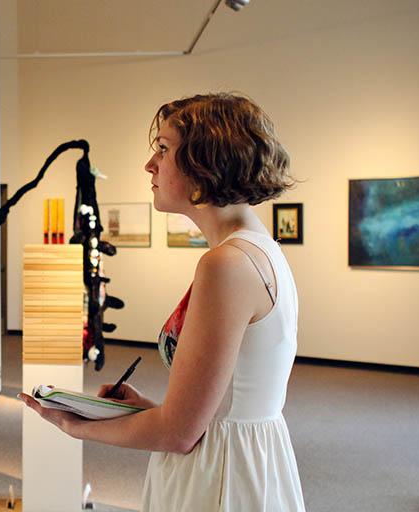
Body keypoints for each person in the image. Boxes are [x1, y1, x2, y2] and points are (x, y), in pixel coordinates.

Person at [18, 92, 305, 511]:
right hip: (242, 462)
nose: (150, 164)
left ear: (206, 163)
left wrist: (76, 425)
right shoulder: (258, 250)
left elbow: (179, 434)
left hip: (221, 477)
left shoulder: (227, 264)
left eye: (164, 149)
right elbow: (223, 412)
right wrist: (146, 411)